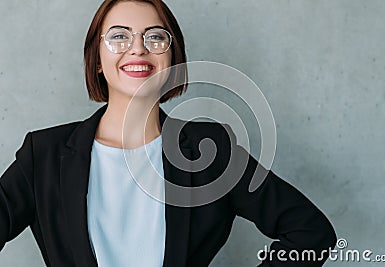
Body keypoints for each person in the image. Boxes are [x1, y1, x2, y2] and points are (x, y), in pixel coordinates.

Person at [0, 0, 337, 266]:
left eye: (155, 36)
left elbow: (310, 232)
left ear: (172, 56)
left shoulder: (212, 151)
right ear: (97, 59)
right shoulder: (43, 154)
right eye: (119, 36)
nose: (137, 49)